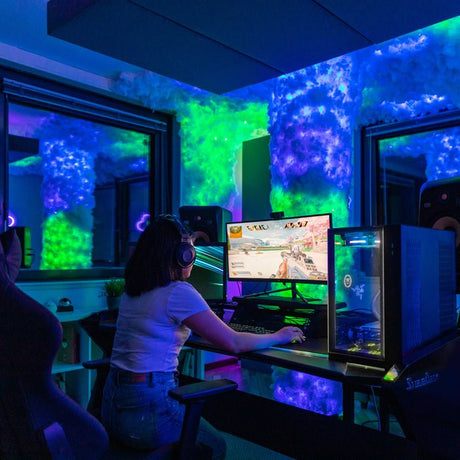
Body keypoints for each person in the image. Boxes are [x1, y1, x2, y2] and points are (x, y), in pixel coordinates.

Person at [101, 214, 306, 458]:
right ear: (180, 255)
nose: (193, 258)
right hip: (148, 413)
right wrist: (279, 335)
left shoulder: (133, 291)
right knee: (215, 446)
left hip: (112, 408)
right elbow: (234, 343)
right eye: (190, 251)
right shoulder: (178, 292)